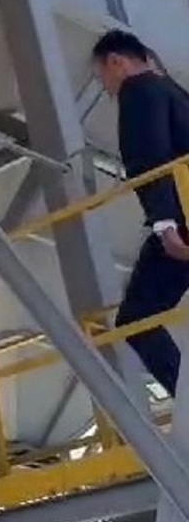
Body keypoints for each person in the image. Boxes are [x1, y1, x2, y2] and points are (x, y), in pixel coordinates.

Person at [92, 29, 189, 395]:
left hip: (183, 217)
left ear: (115, 62)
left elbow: (150, 158)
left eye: (102, 76)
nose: (106, 87)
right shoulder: (174, 92)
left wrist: (166, 226)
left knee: (137, 320)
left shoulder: (137, 92)